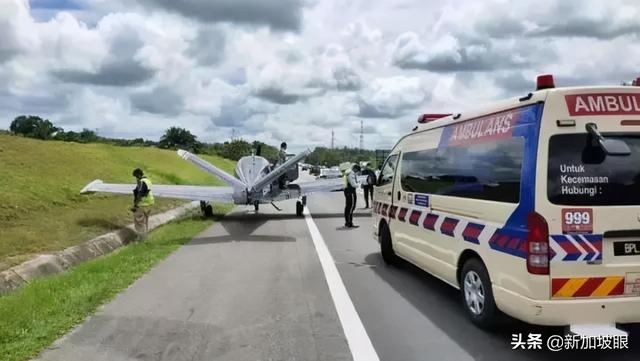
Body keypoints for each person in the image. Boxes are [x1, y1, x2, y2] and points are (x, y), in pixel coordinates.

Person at [131, 168, 154, 239]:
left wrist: (135, 205)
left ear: (138, 175)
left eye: (135, 176)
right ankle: (145, 237)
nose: (135, 178)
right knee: (145, 222)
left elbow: (140, 194)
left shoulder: (141, 182)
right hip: (149, 204)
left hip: (142, 205)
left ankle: (142, 239)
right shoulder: (148, 180)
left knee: (139, 223)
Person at [343, 164, 360, 228]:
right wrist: (359, 184)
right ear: (355, 169)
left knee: (348, 207)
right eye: (357, 171)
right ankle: (349, 222)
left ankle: (347, 222)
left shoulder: (348, 172)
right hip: (351, 191)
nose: (357, 172)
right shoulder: (351, 173)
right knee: (351, 206)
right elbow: (353, 184)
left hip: (347, 191)